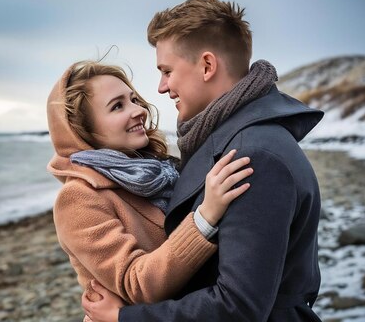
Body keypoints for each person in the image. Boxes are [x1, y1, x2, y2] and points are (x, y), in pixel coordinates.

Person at [82, 0, 324, 321]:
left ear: (207, 66)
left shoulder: (252, 157)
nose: (161, 87)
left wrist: (124, 318)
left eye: (167, 71)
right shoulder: (233, 139)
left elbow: (238, 308)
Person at [46, 60, 253, 309]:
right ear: (83, 130)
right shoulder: (79, 198)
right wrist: (204, 218)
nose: (138, 110)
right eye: (117, 106)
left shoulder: (160, 169)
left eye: (133, 99)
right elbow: (137, 285)